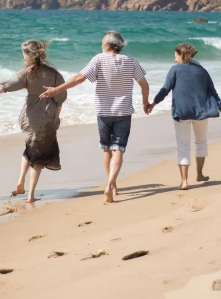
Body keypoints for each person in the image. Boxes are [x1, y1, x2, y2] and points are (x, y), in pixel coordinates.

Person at [40, 31, 149, 204]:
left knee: (106, 149)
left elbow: (79, 78)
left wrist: (57, 89)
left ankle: (111, 185)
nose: (100, 44)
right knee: (118, 150)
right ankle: (111, 184)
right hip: (123, 112)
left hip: (103, 112)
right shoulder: (130, 60)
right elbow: (144, 84)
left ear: (107, 45)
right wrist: (145, 103)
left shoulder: (98, 59)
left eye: (102, 41)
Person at [0, 40, 67, 204]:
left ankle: (20, 180)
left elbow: (7, 86)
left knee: (29, 148)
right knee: (39, 157)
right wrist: (55, 118)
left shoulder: (26, 73)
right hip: (47, 118)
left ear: (28, 55)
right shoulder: (54, 74)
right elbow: (60, 99)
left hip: (29, 117)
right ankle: (31, 195)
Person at [147, 42, 221, 190]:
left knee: (183, 146)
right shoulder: (202, 71)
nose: (174, 59)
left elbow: (165, 90)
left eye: (175, 56)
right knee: (201, 143)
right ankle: (199, 174)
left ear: (181, 55)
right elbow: (213, 93)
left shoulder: (175, 70)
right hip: (201, 112)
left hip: (181, 112)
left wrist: (153, 104)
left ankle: (184, 181)